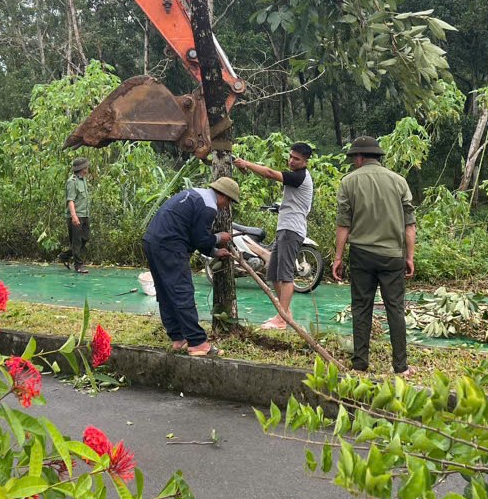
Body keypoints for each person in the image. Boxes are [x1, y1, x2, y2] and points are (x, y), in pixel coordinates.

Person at [332, 136, 415, 375]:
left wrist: (338, 257)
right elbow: (410, 224)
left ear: (359, 157)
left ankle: (360, 363)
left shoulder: (349, 182)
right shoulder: (399, 182)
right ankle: (400, 367)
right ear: (378, 157)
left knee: (361, 308)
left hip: (362, 254)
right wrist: (409, 257)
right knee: (395, 309)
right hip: (392, 255)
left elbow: (343, 224)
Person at [143, 177, 240, 357]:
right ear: (224, 197)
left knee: (165, 292)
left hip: (152, 241)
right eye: (229, 203)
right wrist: (219, 238)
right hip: (170, 245)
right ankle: (197, 343)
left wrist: (214, 252)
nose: (225, 207)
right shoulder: (209, 207)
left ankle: (178, 338)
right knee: (182, 291)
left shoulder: (196, 194)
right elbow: (200, 239)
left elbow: (195, 235)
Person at [233, 143, 314, 330]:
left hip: (291, 230)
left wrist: (247, 163)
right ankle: (285, 313)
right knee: (273, 271)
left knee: (285, 275)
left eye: (297, 159)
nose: (292, 161)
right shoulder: (297, 176)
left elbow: (270, 173)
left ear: (306, 161)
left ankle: (281, 319)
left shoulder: (299, 176)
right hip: (285, 229)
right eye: (291, 157)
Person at [60, 157, 91, 274]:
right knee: (77, 241)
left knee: (86, 238)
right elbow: (70, 200)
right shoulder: (71, 182)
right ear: (83, 169)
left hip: (84, 214)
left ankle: (65, 255)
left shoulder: (83, 180)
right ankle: (79, 266)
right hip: (76, 215)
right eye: (86, 166)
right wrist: (74, 216)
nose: (88, 168)